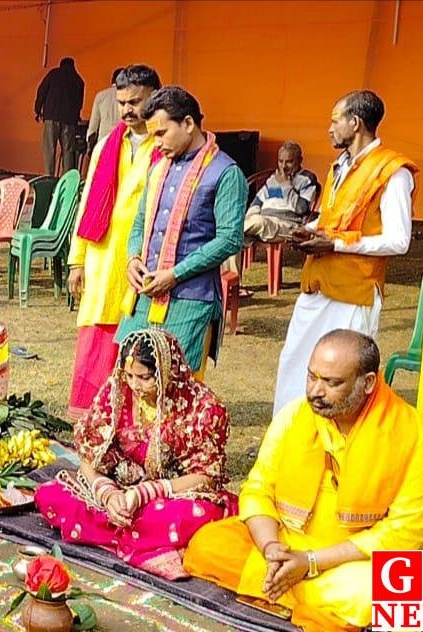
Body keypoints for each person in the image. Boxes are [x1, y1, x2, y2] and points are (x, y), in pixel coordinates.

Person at [184, 330, 423, 631]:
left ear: (368, 382)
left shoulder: (414, 435)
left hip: (357, 560)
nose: (315, 391)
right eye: (311, 377)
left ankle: (284, 587)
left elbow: (403, 533)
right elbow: (258, 488)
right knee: (208, 544)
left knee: (364, 594)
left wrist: (311, 562)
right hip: (290, 542)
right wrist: (271, 549)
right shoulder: (295, 416)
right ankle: (291, 584)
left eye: (332, 383)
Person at [36, 329, 235, 579]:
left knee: (191, 517)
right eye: (129, 375)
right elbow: (89, 458)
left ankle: (121, 537)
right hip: (119, 492)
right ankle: (146, 544)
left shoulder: (202, 408)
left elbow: (207, 476)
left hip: (172, 497)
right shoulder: (116, 393)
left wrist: (145, 492)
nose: (135, 385)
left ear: (167, 371)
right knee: (50, 495)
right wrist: (108, 494)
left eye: (145, 377)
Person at [271, 91, 417, 415]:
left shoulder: (393, 171)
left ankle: (339, 440)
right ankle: (292, 435)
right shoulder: (340, 165)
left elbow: (399, 241)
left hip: (354, 291)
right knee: (296, 364)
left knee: (343, 378)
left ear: (355, 123)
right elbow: (331, 219)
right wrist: (307, 231)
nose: (329, 128)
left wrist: (336, 244)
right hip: (318, 282)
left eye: (335, 120)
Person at [117, 86, 248, 378]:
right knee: (132, 377)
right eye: (153, 136)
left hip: (191, 299)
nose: (156, 143)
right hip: (144, 295)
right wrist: (133, 258)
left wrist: (175, 274)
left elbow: (229, 239)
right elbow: (140, 221)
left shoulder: (226, 173)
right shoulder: (157, 168)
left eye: (162, 133)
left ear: (188, 123)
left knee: (178, 382)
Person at [66, 64, 161, 419]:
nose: (127, 110)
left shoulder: (164, 145)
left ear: (155, 97)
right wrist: (77, 261)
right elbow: (88, 202)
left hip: (144, 261)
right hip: (102, 258)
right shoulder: (108, 144)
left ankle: (131, 418)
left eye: (135, 101)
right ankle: (92, 416)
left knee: (137, 342)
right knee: (96, 339)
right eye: (122, 103)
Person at [243, 142, 319, 244]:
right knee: (239, 226)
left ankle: (237, 230)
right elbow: (257, 203)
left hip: (286, 225)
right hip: (262, 220)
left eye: (289, 162)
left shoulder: (307, 179)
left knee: (254, 224)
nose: (283, 167)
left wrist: (285, 184)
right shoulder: (273, 178)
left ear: (300, 160)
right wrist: (249, 218)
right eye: (280, 161)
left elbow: (302, 209)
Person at [35, 57, 85, 176]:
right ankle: (67, 179)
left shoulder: (53, 74)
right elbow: (79, 102)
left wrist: (37, 110)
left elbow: (41, 91)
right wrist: (76, 116)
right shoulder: (78, 80)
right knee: (68, 151)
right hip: (69, 121)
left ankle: (49, 177)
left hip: (51, 117)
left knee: (49, 150)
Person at [86, 68, 124, 150]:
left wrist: (90, 147)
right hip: (122, 142)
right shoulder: (127, 97)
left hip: (103, 142)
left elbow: (93, 125)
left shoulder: (101, 96)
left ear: (112, 80)